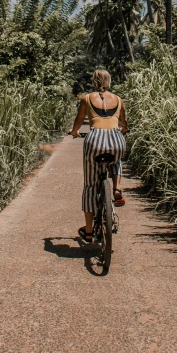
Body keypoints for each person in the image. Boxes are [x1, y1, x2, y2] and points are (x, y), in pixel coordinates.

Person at [70, 68, 128, 242]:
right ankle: (117, 188)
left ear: (94, 82)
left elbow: (79, 121)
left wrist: (74, 132)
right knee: (116, 158)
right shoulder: (118, 99)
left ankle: (88, 232)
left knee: (90, 187)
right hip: (116, 139)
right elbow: (124, 123)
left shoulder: (86, 99)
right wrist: (122, 130)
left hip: (94, 140)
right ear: (109, 82)